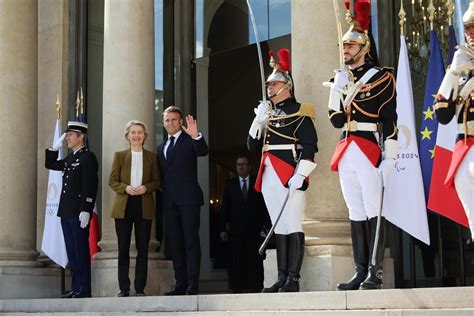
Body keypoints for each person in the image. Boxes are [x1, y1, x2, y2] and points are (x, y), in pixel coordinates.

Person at [324, 1, 397, 290]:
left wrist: (389, 156)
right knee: (354, 211)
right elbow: (336, 120)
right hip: (346, 148)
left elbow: (390, 118)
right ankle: (359, 270)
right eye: (344, 47)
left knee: (372, 210)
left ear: (364, 48)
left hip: (368, 147)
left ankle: (374, 272)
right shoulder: (342, 78)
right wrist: (337, 91)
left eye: (351, 47)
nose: (346, 51)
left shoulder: (381, 77)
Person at [247, 48, 318, 293]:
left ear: (287, 85)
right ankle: (280, 277)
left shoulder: (300, 110)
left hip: (289, 172)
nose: (270, 87)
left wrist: (301, 173)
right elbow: (252, 146)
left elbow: (310, 145)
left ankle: (293, 278)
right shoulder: (268, 112)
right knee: (279, 226)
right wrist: (258, 120)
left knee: (292, 223)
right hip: (267, 173)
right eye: (268, 84)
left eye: (274, 83)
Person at [157, 106, 209, 295]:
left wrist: (196, 136)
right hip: (169, 203)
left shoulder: (189, 141)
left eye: (173, 120)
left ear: (180, 122)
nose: (170, 123)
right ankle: (180, 284)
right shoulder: (160, 147)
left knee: (190, 242)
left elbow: (203, 151)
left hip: (189, 200)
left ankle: (192, 284)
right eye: (167, 120)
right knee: (176, 244)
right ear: (164, 124)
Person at [45, 121, 99, 298]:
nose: (67, 138)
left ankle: (84, 288)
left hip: (78, 211)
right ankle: (76, 287)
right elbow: (51, 165)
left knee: (80, 250)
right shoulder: (71, 158)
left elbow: (90, 185)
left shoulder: (87, 157)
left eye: (70, 135)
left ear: (81, 136)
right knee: (71, 251)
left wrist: (86, 208)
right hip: (66, 211)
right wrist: (54, 148)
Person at [434, 3, 474, 240]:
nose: (470, 33)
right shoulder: (461, 69)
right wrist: (452, 73)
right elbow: (443, 114)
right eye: (468, 28)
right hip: (463, 148)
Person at [108, 120, 160, 297]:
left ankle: (139, 288)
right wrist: (126, 188)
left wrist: (146, 188)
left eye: (140, 132)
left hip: (144, 205)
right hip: (124, 205)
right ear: (127, 136)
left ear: (144, 136)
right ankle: (124, 288)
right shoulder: (120, 156)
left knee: (142, 249)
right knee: (123, 248)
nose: (137, 135)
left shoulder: (152, 157)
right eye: (133, 132)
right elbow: (112, 181)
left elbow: (157, 181)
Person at [219, 155, 270, 293]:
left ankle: (256, 286)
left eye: (243, 164)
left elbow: (264, 205)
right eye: (238, 164)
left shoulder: (256, 182)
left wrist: (267, 225)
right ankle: (236, 287)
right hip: (236, 229)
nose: (241, 167)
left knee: (255, 259)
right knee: (236, 259)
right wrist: (223, 228)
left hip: (255, 228)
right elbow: (224, 207)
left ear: (249, 166)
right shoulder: (230, 184)